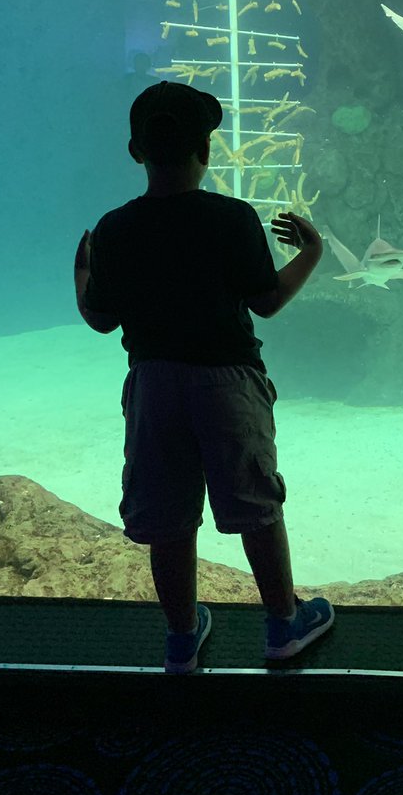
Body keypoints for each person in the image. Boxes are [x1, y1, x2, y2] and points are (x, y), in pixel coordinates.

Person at [73, 79, 334, 673]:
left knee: (166, 514)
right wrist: (311, 254)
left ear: (136, 151)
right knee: (255, 505)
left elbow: (100, 319)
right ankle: (282, 625)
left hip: (154, 384)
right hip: (227, 383)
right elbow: (265, 302)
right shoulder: (232, 217)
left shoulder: (115, 228)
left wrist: (82, 275)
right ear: (208, 151)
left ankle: (181, 639)